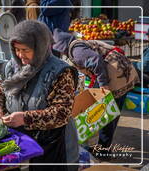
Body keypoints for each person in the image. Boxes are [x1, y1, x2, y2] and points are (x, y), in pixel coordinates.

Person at [0, 20, 79, 171]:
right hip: (17, 142)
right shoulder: (11, 67)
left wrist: (25, 118)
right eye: (16, 49)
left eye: (26, 50)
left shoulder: (60, 72)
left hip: (51, 146)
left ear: (40, 47)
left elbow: (62, 113)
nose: (20, 55)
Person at [52, 28, 140, 159]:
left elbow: (96, 61)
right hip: (123, 71)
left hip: (114, 75)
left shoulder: (76, 50)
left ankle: (103, 152)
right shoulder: (78, 45)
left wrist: (103, 85)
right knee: (112, 112)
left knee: (106, 115)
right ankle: (104, 148)